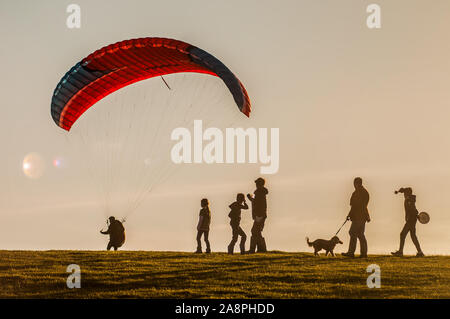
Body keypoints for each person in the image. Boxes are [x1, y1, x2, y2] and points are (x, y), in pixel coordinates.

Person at [391, 187, 424, 257]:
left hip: (411, 220)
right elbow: (402, 190)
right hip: (412, 219)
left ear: (408, 193)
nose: (404, 194)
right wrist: (398, 191)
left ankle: (400, 252)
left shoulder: (409, 199)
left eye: (405, 193)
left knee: (402, 234)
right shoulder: (410, 198)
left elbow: (412, 208)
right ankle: (420, 252)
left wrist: (412, 216)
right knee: (413, 236)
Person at [342, 177, 370, 258]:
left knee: (353, 232)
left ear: (357, 183)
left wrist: (350, 214)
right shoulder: (364, 192)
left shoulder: (358, 192)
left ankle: (351, 252)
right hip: (362, 216)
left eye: (355, 183)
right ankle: (363, 253)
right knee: (360, 234)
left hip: (358, 217)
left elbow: (355, 206)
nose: (354, 185)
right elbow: (360, 205)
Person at [247, 177, 269, 253]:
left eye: (257, 183)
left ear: (260, 184)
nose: (256, 184)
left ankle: (255, 249)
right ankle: (261, 249)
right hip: (260, 214)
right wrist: (251, 198)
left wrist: (259, 215)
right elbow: (256, 202)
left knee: (255, 231)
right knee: (257, 231)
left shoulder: (259, 192)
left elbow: (258, 204)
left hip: (260, 215)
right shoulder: (260, 192)